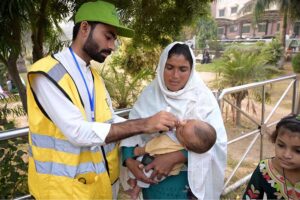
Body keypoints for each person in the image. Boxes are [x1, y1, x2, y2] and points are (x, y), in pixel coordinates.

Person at [26, 1, 179, 199]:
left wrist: (155, 126)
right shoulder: (47, 75)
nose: (112, 46)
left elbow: (109, 120)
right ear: (84, 28)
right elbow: (78, 132)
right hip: (63, 192)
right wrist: (144, 124)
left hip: (99, 188)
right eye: (108, 37)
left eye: (114, 39)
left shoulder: (94, 76)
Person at [120, 42, 227, 199]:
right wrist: (129, 159)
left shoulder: (203, 99)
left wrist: (177, 157)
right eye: (169, 67)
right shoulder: (150, 94)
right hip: (153, 183)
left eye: (183, 69)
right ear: (162, 66)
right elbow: (132, 128)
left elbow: (216, 143)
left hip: (187, 182)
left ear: (191, 70)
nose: (175, 76)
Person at [125, 119, 217, 199]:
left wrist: (139, 150)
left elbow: (154, 146)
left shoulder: (171, 142)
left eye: (181, 131)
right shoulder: (185, 136)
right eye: (187, 121)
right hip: (165, 176)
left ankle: (135, 190)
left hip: (163, 174)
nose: (181, 123)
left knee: (145, 171)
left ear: (185, 146)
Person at [243, 114, 300, 199]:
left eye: (298, 150)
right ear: (275, 139)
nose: (286, 155)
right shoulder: (264, 169)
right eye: (281, 145)